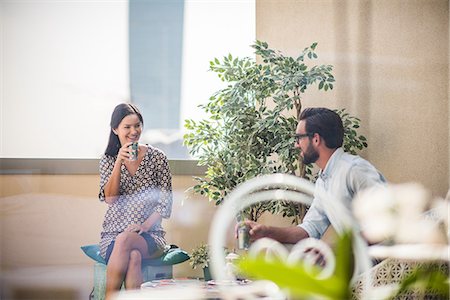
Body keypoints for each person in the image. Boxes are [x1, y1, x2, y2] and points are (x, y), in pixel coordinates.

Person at [243, 107, 386, 244]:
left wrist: (333, 250)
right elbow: (310, 229)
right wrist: (266, 231)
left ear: (316, 139)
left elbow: (387, 222)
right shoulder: (323, 181)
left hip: (385, 265)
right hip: (358, 263)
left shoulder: (354, 170)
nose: (296, 145)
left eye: (299, 138)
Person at [98, 103, 172, 299]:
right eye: (127, 127)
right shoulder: (108, 159)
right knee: (133, 256)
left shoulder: (158, 158)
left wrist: (144, 226)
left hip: (150, 235)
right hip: (112, 235)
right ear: (115, 129)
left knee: (126, 240)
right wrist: (118, 163)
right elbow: (111, 199)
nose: (134, 132)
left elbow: (165, 202)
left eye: (137, 126)